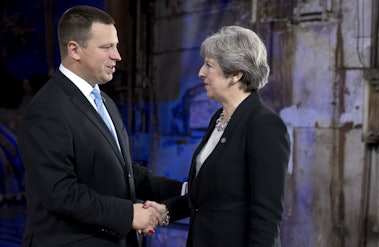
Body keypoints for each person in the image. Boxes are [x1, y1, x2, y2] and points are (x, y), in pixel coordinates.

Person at [17, 5, 183, 247]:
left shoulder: (103, 100)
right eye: (106, 47)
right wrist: (129, 214)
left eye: (115, 45)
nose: (117, 55)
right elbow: (60, 192)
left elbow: (122, 171)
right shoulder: (46, 109)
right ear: (74, 49)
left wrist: (183, 191)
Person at [161, 25, 291, 246]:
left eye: (209, 65)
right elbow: (209, 197)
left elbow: (267, 219)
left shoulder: (264, 125)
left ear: (235, 75)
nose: (201, 72)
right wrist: (165, 211)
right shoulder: (219, 118)